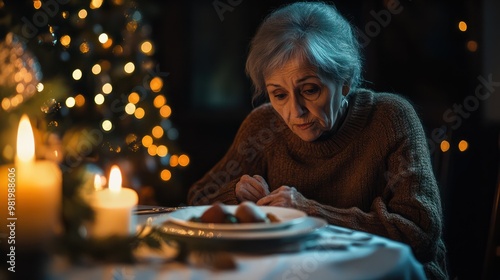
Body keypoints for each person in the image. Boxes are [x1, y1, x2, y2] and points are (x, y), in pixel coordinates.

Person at [187, 1, 448, 279]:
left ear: (346, 80)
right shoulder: (263, 126)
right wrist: (235, 194)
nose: (294, 111)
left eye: (310, 89)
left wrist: (310, 212)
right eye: (279, 94)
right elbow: (196, 201)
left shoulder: (390, 118)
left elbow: (419, 234)